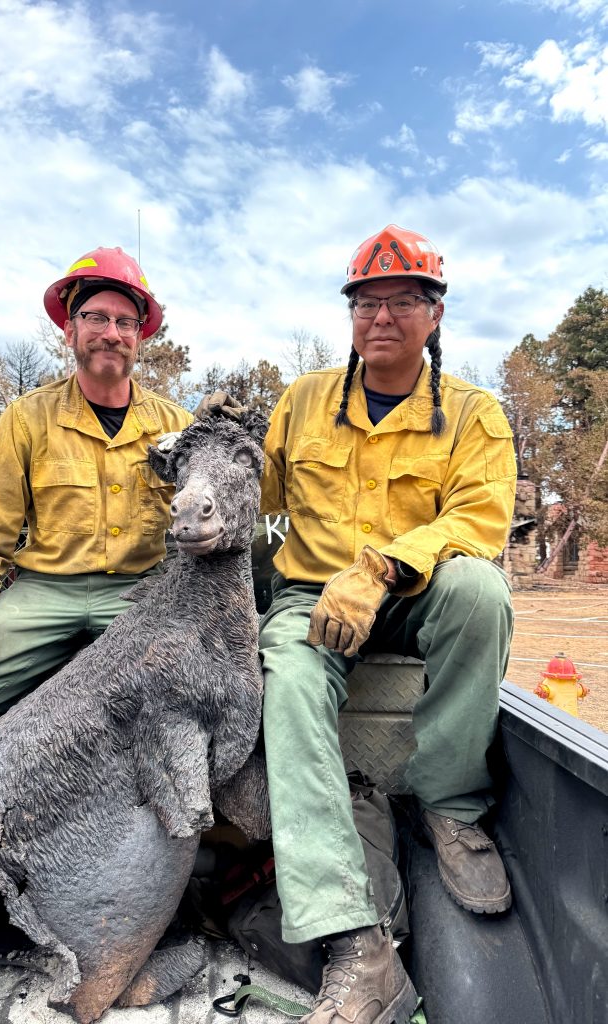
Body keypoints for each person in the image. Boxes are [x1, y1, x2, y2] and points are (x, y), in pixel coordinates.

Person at [257, 225, 516, 1023]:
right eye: (366, 302)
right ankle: (355, 940)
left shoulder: (474, 414)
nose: (381, 318)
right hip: (311, 602)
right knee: (290, 677)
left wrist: (378, 572)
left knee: (480, 591)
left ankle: (451, 808)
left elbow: (479, 520)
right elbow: (253, 497)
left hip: (412, 594)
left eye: (402, 301)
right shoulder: (301, 403)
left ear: (434, 315)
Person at [0, 247, 192, 793]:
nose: (111, 332)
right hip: (43, 593)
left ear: (140, 336)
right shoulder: (27, 418)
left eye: (125, 321)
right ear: (69, 330)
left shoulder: (177, 424)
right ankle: (1, 828)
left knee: (199, 703)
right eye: (95, 318)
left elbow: (214, 519)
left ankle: (160, 846)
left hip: (141, 595)